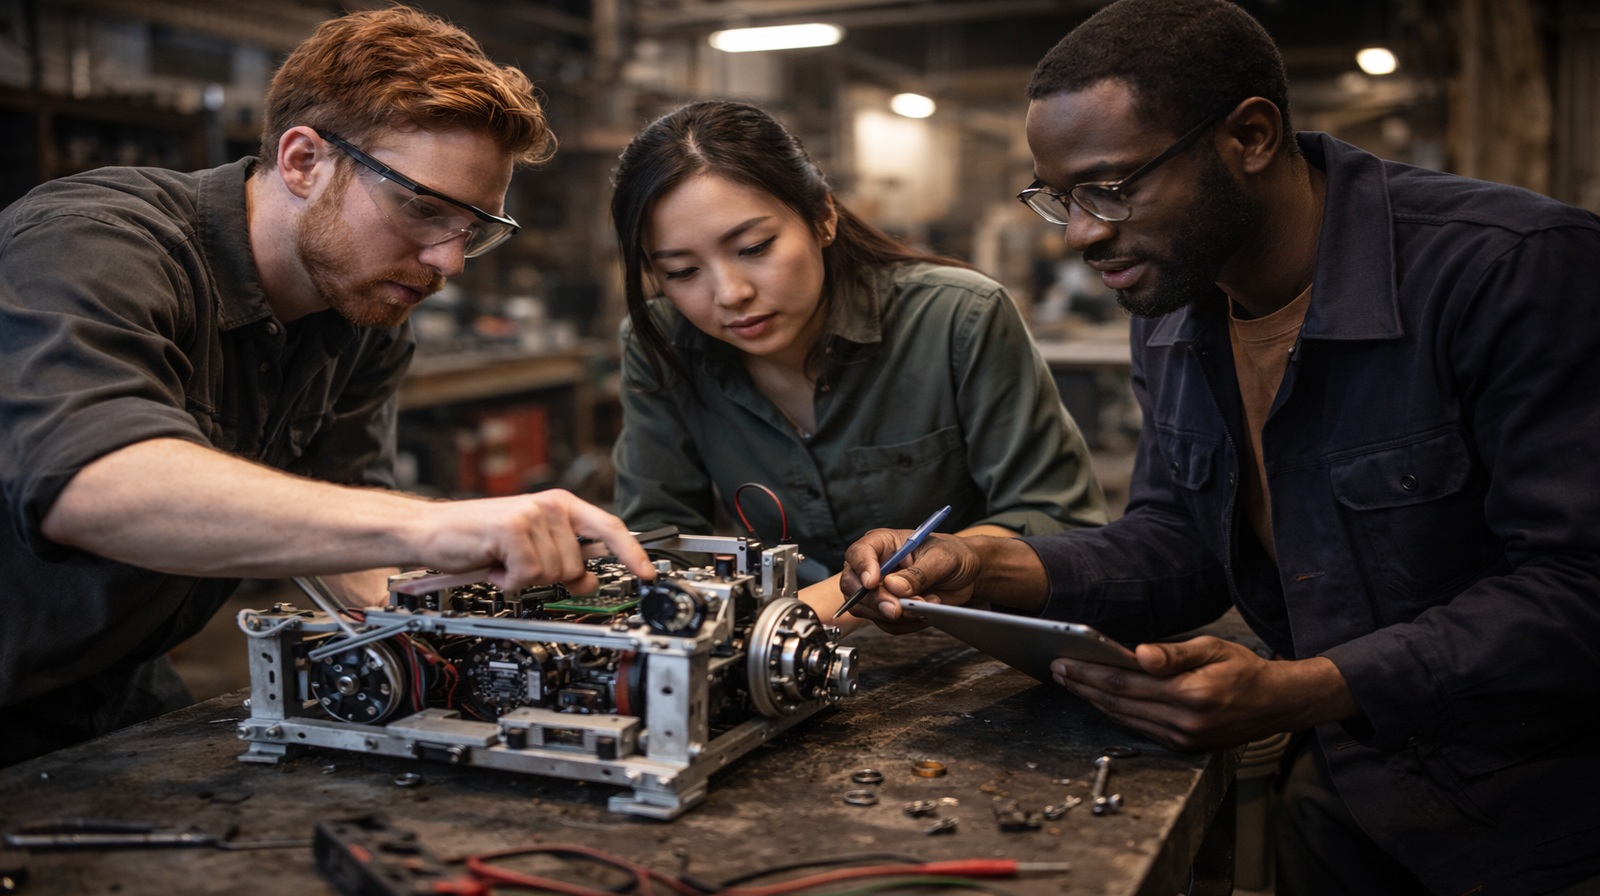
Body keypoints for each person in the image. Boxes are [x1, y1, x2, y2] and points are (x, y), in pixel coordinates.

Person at [840, 1, 1600, 894]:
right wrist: (982, 566)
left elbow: (1579, 585)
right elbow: (1185, 542)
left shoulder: (1513, 269)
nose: (1083, 233)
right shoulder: (1176, 304)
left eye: (1111, 188)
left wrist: (1307, 687)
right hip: (1350, 792)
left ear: (1248, 136)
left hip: (1544, 819)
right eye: (1060, 199)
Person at [0, 6, 654, 768]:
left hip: (108, 674)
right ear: (304, 161)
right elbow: (88, 481)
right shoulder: (94, 241)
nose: (450, 263)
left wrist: (537, 626)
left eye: (473, 228)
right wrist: (422, 528)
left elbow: (350, 541)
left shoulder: (364, 316)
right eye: (422, 208)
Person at [607, 99, 1107, 623]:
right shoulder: (660, 345)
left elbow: (1055, 519)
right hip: (769, 658)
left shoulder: (958, 317)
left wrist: (803, 612)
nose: (730, 293)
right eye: (683, 271)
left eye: (754, 247)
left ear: (823, 217)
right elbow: (657, 542)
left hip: (967, 648)